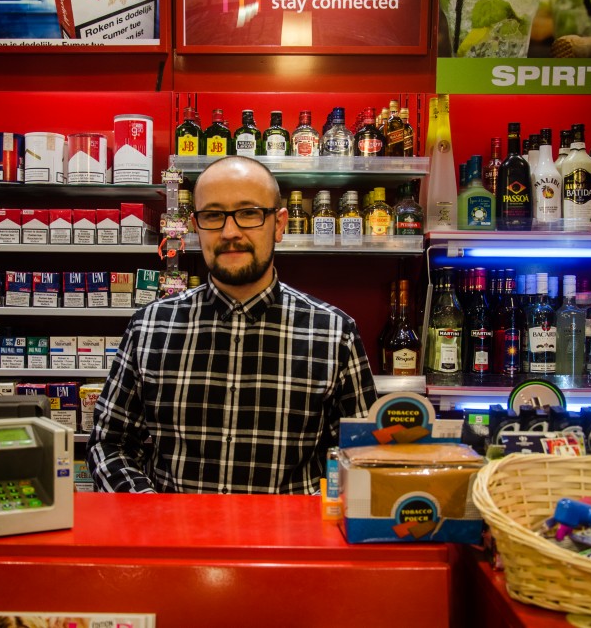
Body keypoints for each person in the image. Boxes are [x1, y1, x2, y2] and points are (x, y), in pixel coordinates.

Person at [87, 156, 378, 494]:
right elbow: (109, 444)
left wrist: (310, 519)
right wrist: (149, 510)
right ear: (196, 225)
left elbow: (362, 456)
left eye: (249, 213)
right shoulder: (149, 327)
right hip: (177, 540)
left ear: (280, 224)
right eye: (213, 215)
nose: (230, 232)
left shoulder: (334, 333)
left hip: (290, 543)